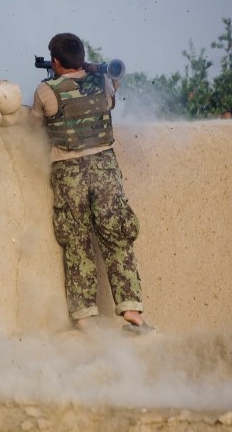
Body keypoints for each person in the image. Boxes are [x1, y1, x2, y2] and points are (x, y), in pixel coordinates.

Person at [30, 33, 154, 334]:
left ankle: (85, 317)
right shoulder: (103, 82)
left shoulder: (46, 90)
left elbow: (34, 126)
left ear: (56, 62)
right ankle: (133, 312)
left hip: (68, 169)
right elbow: (110, 100)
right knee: (117, 235)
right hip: (105, 166)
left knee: (76, 240)